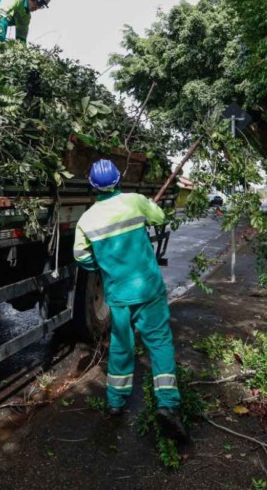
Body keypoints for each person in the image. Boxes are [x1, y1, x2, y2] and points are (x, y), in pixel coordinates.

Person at [72, 159, 188, 442]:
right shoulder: (135, 202)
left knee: (122, 346)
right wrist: (149, 204)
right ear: (117, 179)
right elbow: (160, 218)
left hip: (119, 295)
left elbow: (81, 257)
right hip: (149, 290)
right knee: (159, 342)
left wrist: (100, 266)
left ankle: (115, 402)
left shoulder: (86, 220)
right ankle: (168, 405)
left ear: (92, 186)